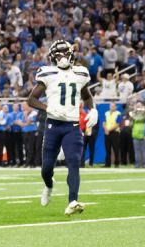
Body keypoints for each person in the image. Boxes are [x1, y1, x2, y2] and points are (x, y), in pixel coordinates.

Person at [27, 40, 95, 215]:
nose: (63, 57)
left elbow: (87, 95)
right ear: (52, 57)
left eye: (66, 53)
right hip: (53, 124)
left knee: (74, 162)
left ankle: (73, 201)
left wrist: (93, 109)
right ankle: (49, 185)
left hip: (72, 125)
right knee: (46, 168)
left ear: (72, 55)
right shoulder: (47, 73)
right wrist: (47, 108)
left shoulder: (81, 73)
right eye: (59, 54)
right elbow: (31, 99)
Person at [102, 103, 122, 168]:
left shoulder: (118, 113)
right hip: (107, 133)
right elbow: (104, 122)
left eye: (114, 106)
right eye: (111, 106)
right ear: (109, 106)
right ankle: (107, 164)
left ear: (116, 107)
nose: (112, 107)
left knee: (116, 149)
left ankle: (116, 164)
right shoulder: (106, 113)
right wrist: (105, 129)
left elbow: (118, 124)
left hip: (115, 133)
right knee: (107, 149)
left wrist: (109, 130)